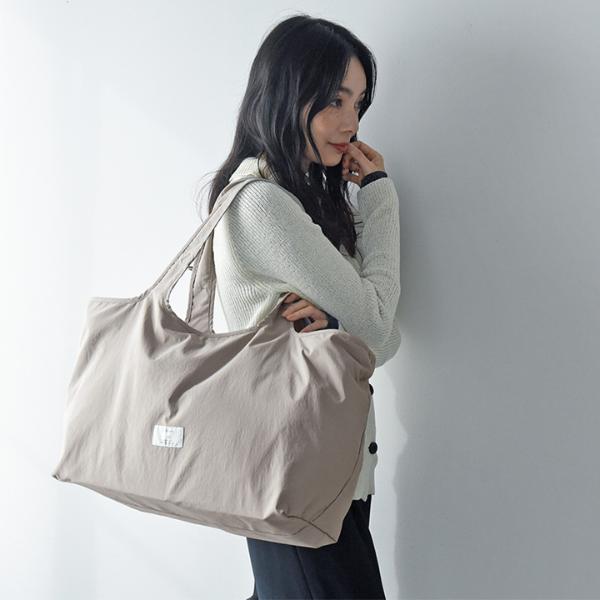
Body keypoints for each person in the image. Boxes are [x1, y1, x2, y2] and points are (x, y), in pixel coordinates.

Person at [196, 12, 401, 600]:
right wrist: (380, 195)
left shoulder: (298, 199)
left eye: (359, 103)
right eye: (334, 100)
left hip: (317, 476)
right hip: (297, 479)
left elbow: (377, 333)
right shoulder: (262, 205)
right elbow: (377, 331)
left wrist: (339, 325)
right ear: (288, 95)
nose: (351, 123)